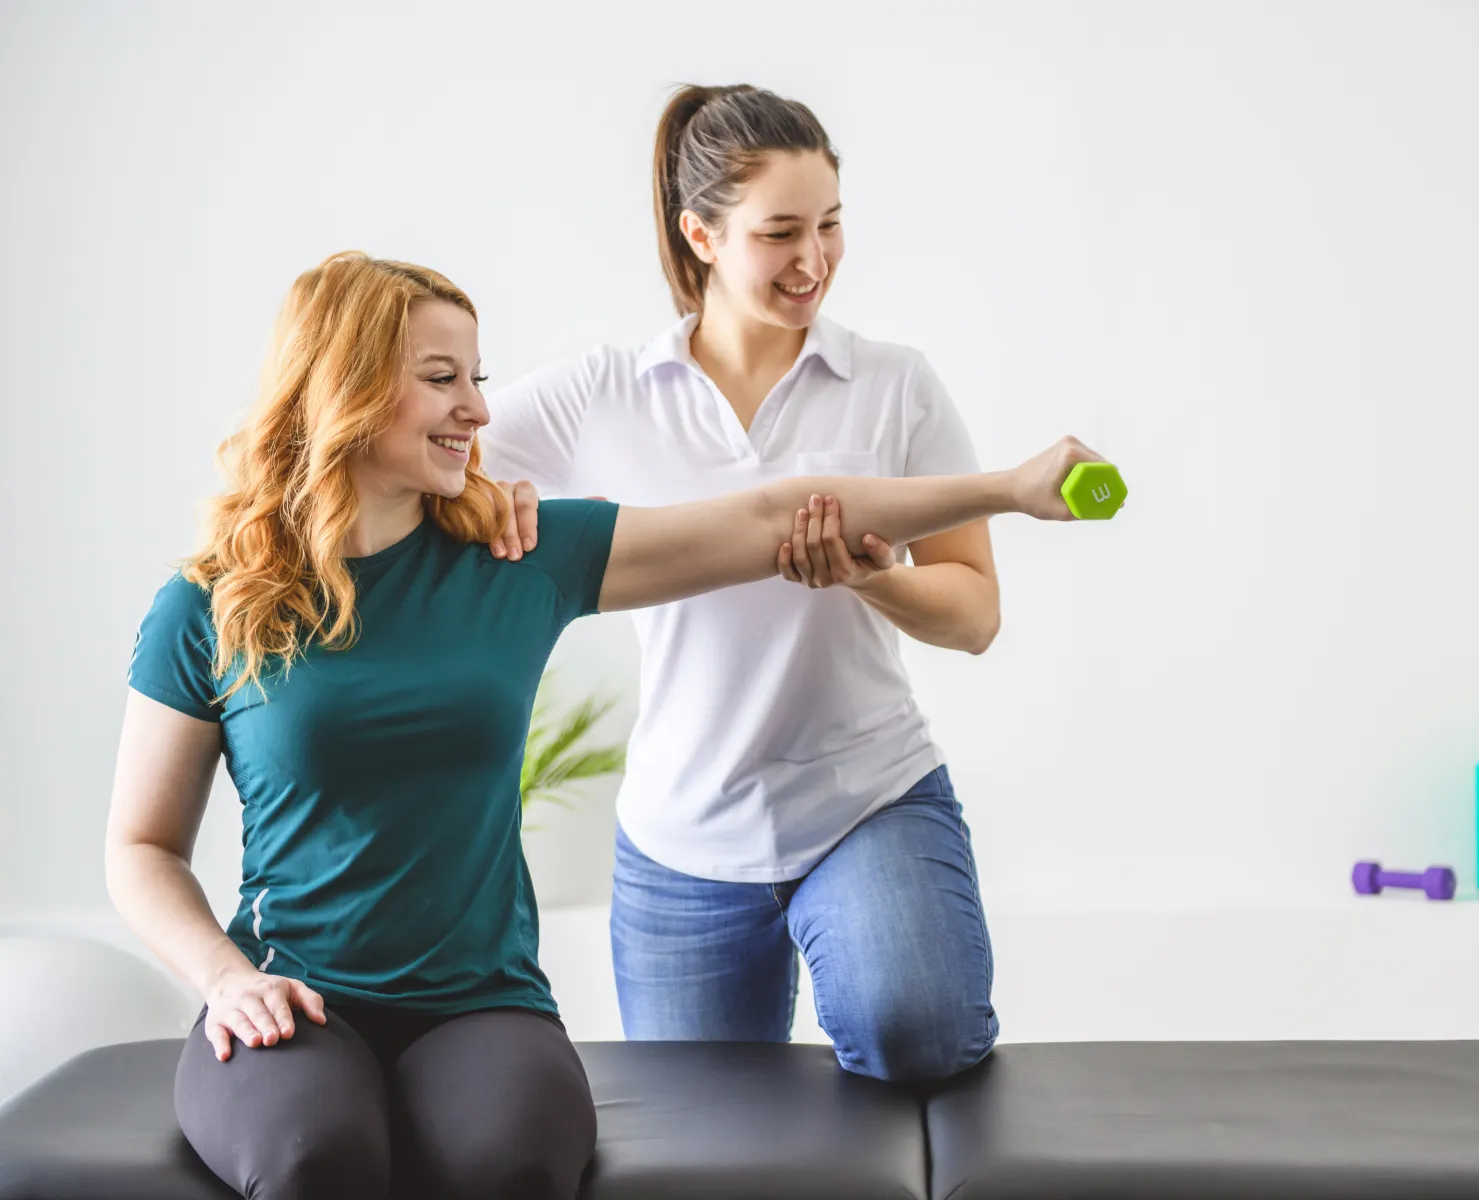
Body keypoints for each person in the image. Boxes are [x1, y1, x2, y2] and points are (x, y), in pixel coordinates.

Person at [104, 249, 1100, 1199]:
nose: (479, 409)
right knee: (317, 1158)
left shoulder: (518, 558)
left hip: (479, 1002)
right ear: (347, 388)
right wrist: (226, 981)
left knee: (513, 1165)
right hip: (293, 992)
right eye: (443, 378)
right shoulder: (213, 605)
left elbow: (772, 516)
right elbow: (141, 849)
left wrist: (1006, 489)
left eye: (477, 376)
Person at [482, 84, 1056, 1082]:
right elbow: (442, 455)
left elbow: (973, 614)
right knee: (700, 1138)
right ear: (699, 233)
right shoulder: (606, 395)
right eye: (779, 233)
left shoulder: (892, 384)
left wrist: (873, 578)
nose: (814, 261)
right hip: (680, 833)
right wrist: (489, 507)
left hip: (865, 799)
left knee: (913, 1032)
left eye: (831, 226)